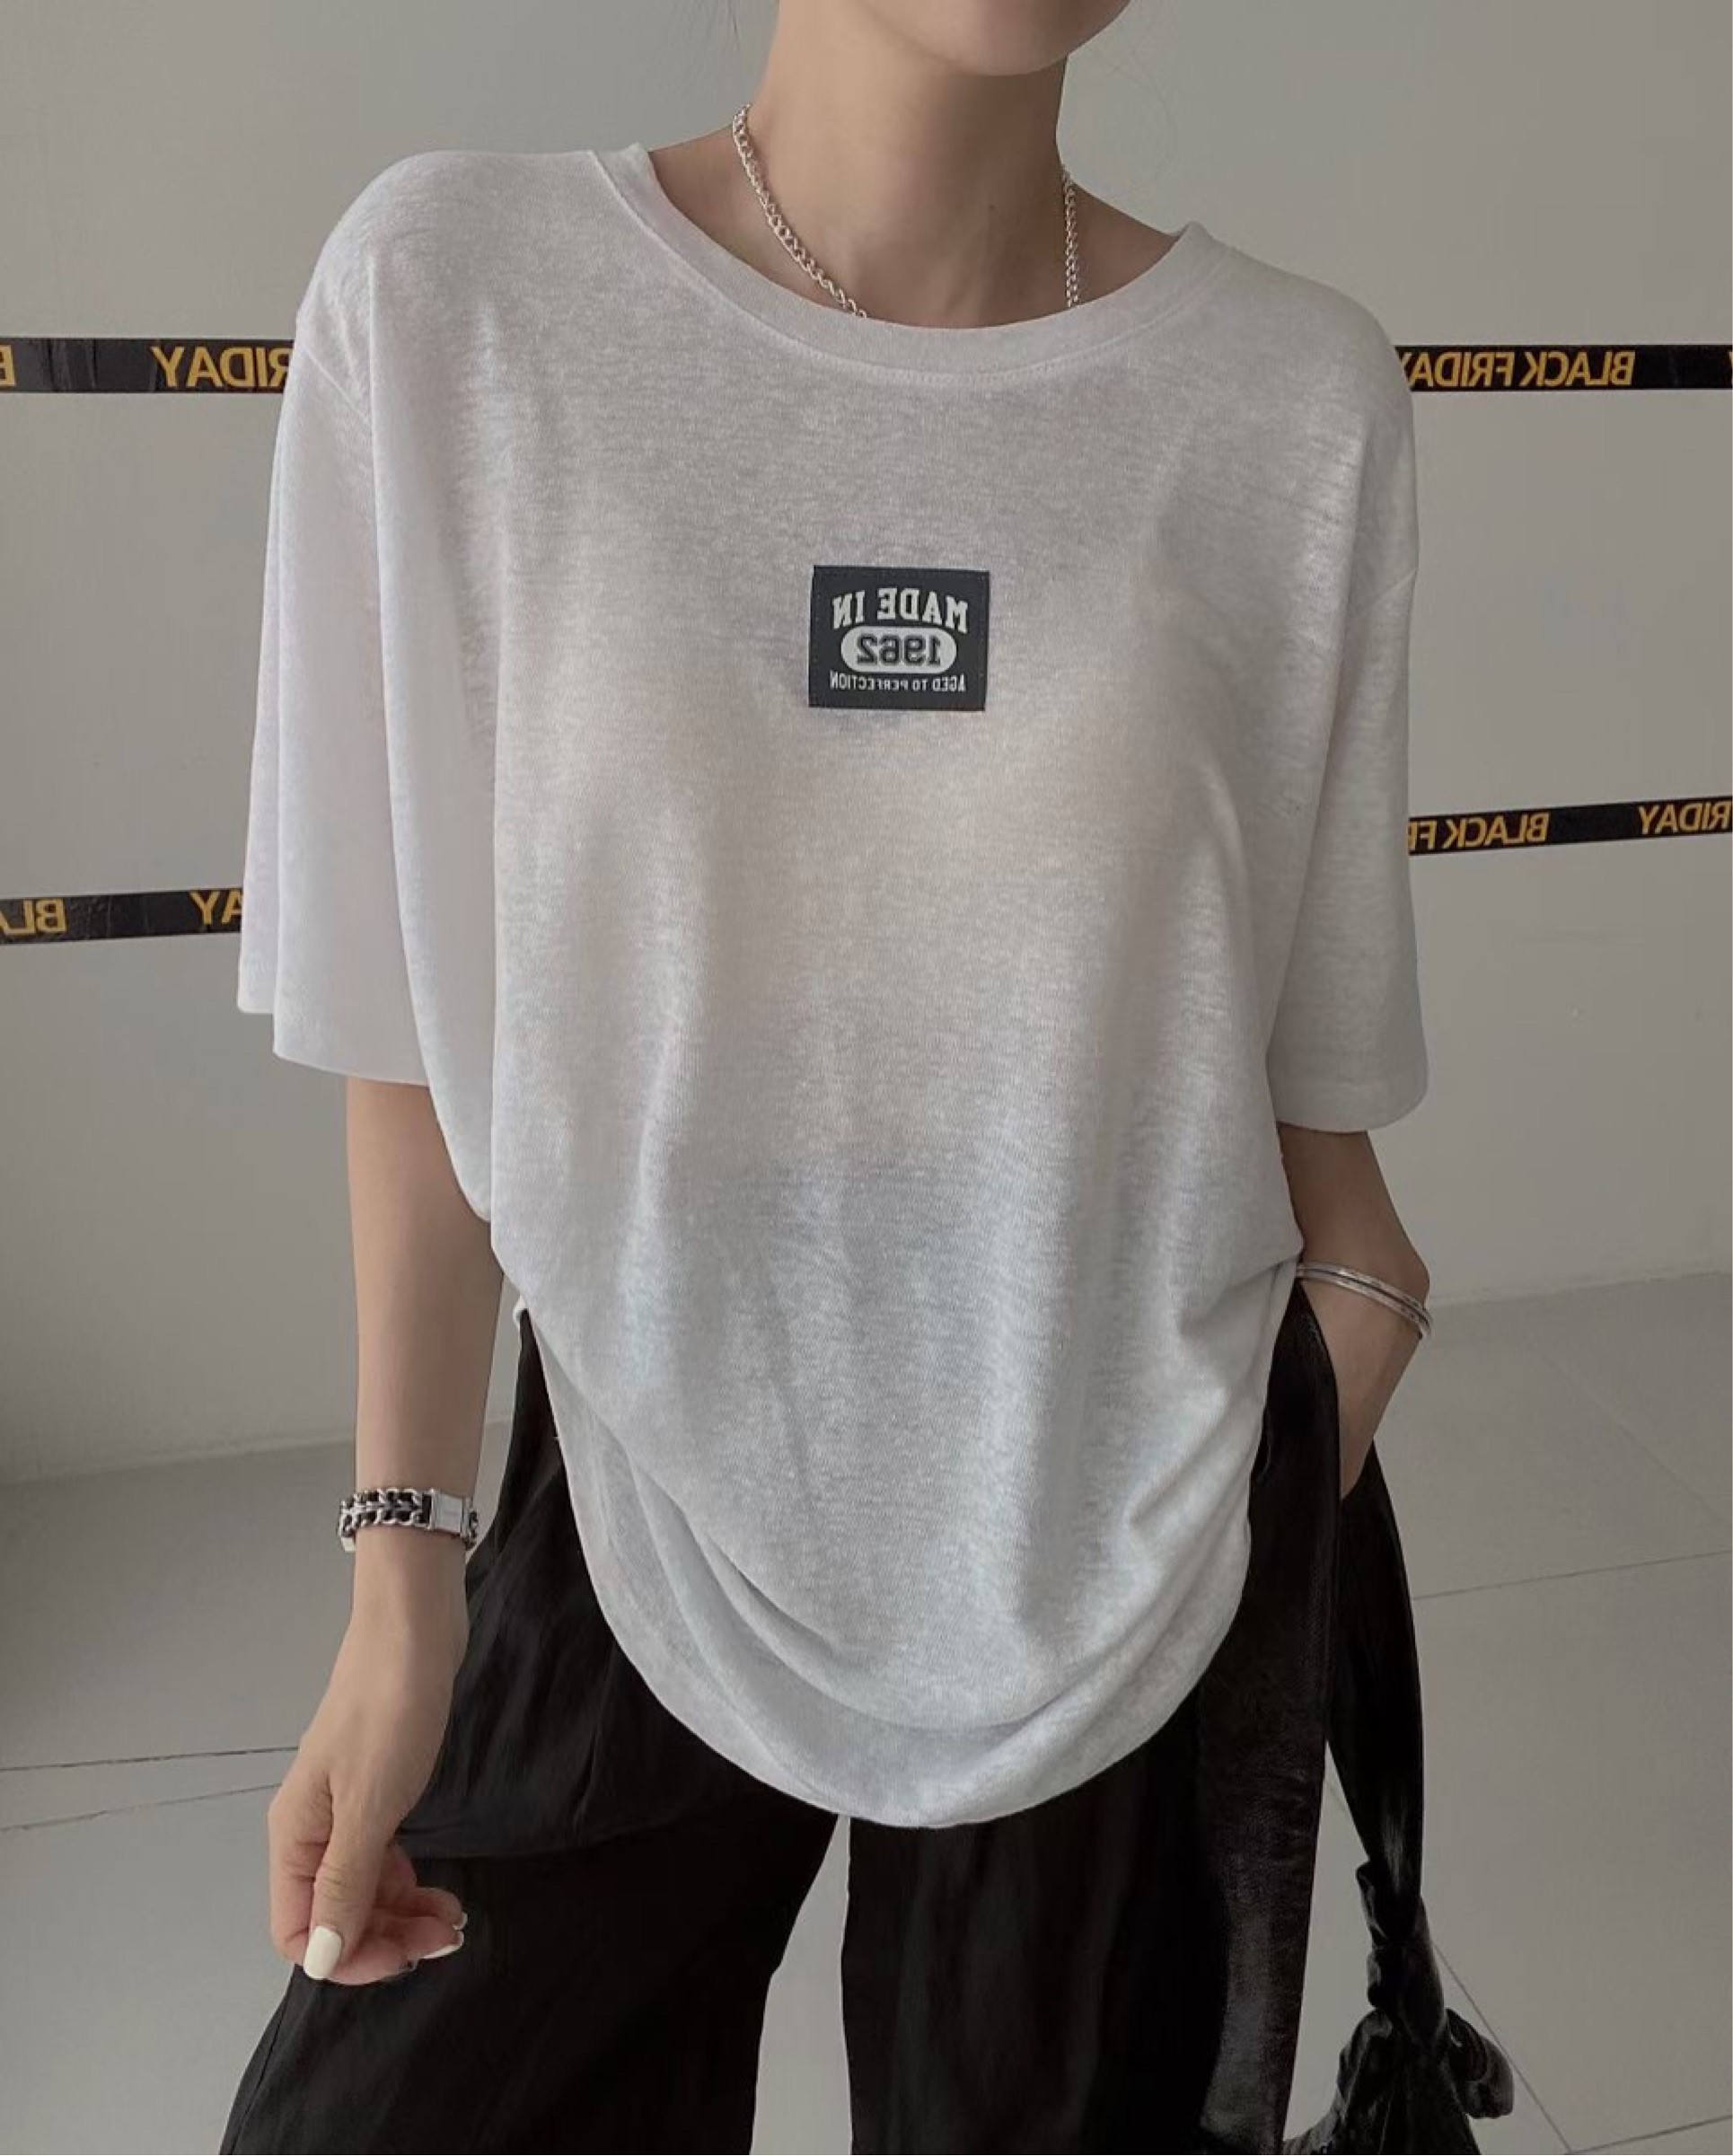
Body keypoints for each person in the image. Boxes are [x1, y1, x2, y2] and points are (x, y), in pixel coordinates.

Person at [221, 2, 1434, 2148]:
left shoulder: (1290, 392)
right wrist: (403, 1569)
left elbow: (1289, 1059)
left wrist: (1348, 1329)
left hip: (1118, 1488)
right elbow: (410, 1014)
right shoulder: (456, 294)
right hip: (640, 1439)